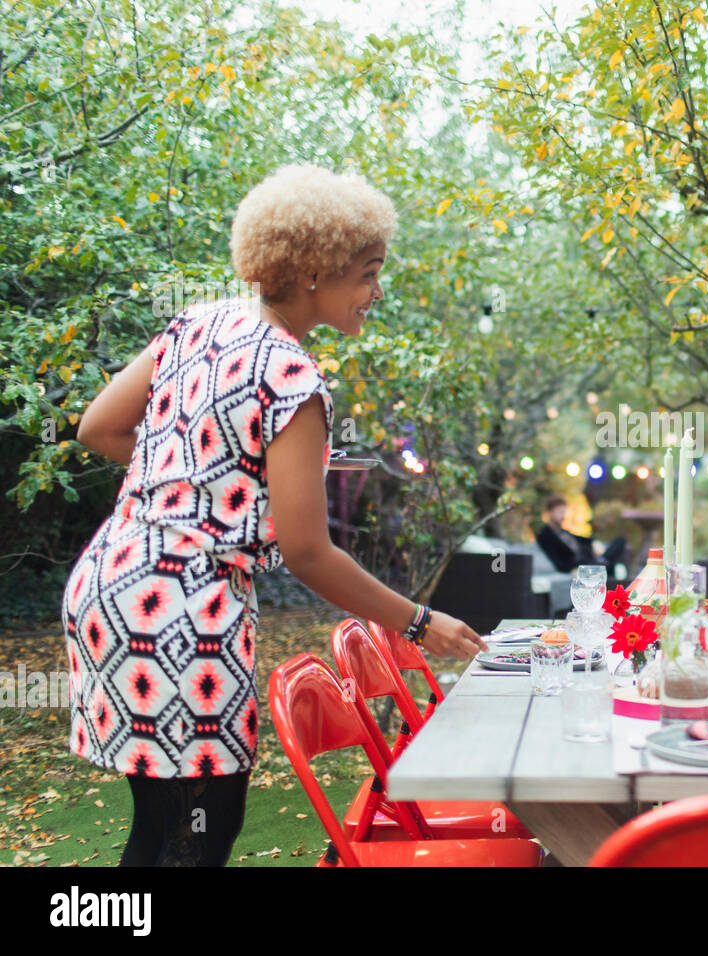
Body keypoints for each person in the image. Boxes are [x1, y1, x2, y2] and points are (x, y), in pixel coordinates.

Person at [63, 164, 487, 866]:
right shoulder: (293, 377)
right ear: (316, 271)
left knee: (161, 825)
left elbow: (98, 429)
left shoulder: (194, 323)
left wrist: (185, 491)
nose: (378, 292)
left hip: (109, 585)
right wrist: (417, 621)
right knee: (201, 832)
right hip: (181, 609)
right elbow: (308, 551)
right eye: (369, 273)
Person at [535, 496, 625, 573]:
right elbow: (556, 559)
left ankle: (603, 561)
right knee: (611, 566)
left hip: (590, 560)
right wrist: (571, 570)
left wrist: (594, 542)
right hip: (580, 566)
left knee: (620, 541)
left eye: (564, 512)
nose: (563, 516)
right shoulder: (545, 536)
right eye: (560, 512)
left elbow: (583, 539)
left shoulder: (564, 532)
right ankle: (604, 562)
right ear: (550, 513)